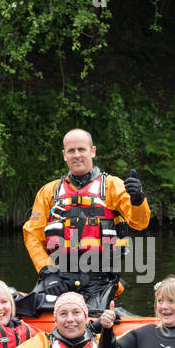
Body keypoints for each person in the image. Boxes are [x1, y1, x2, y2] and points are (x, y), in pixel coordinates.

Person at [22, 128, 150, 314]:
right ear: (64, 155)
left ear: (93, 151)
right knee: (28, 310)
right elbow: (32, 235)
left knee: (91, 320)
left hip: (99, 279)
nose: (77, 155)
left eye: (81, 149)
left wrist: (138, 200)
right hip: (57, 277)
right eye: (71, 151)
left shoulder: (113, 186)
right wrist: (47, 272)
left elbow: (140, 223)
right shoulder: (49, 192)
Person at [1, 292, 104, 348]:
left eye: (76, 312)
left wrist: (109, 333)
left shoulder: (101, 343)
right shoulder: (42, 344)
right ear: (55, 320)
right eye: (63, 314)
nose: (70, 319)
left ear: (86, 318)